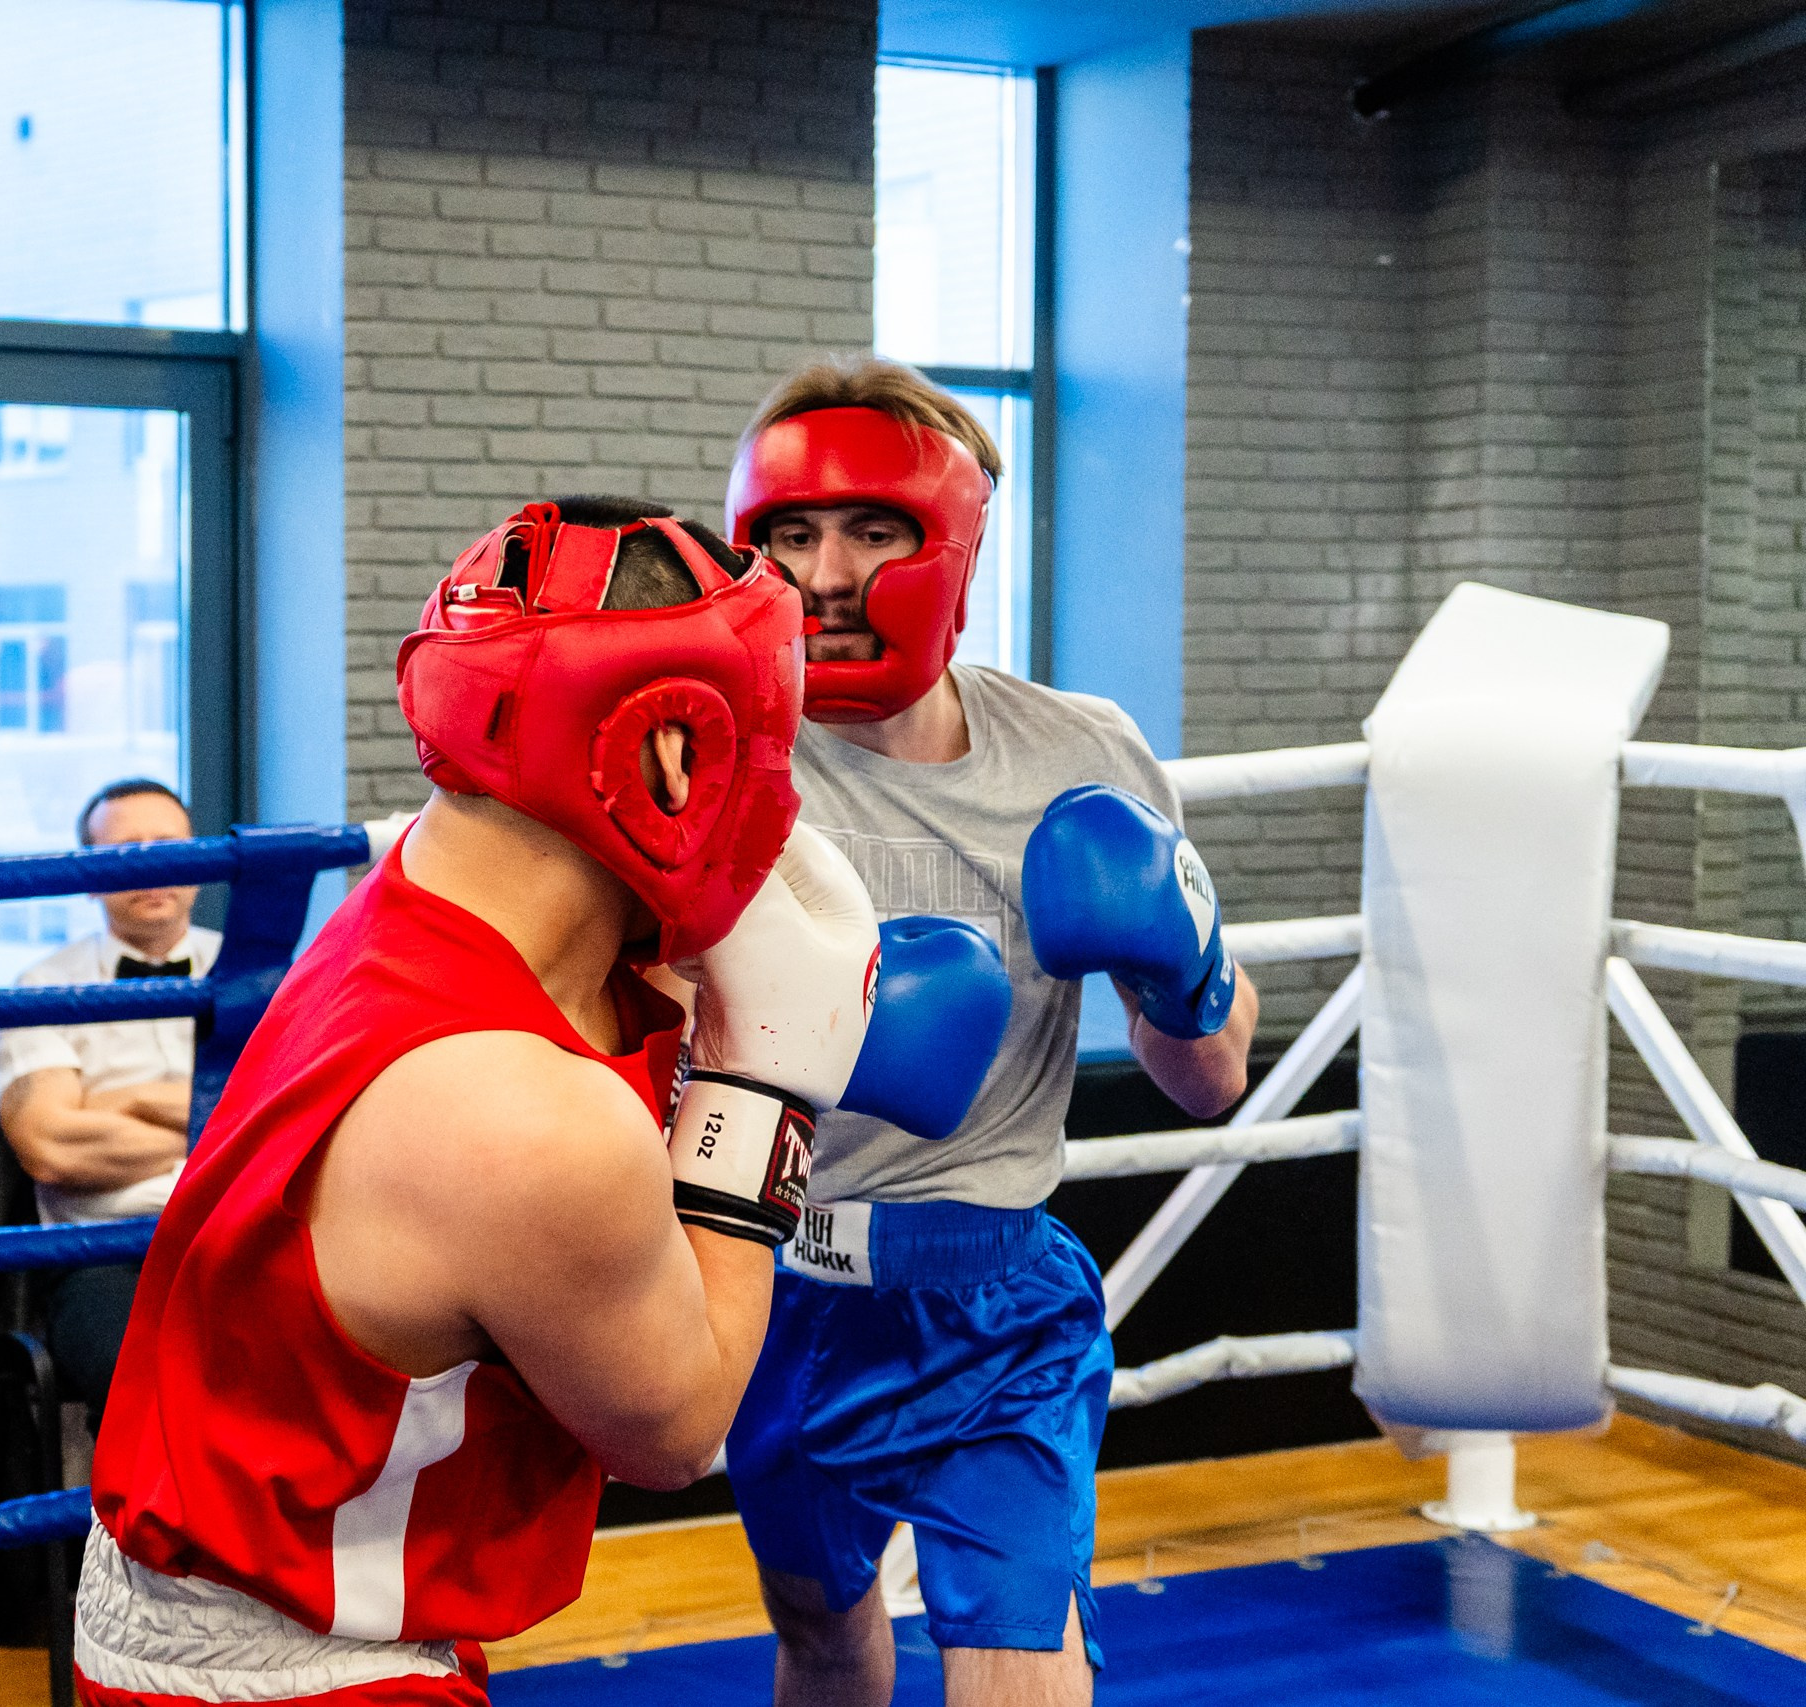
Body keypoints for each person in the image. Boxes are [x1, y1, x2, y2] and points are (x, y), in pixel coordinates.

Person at [72, 498, 888, 1706]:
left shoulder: (414, 888)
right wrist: (763, 1087)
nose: (778, 791)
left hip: (230, 1597)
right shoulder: (523, 1120)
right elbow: (676, 1430)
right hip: (314, 1676)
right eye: (767, 743)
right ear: (672, 752)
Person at [720, 358, 1262, 1707]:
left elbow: (1211, 1078)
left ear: (949, 543)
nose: (828, 571)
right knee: (827, 1641)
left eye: (872, 529)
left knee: (1019, 1651)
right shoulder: (718, 757)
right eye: (793, 533)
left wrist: (1184, 966)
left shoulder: (1080, 751)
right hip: (772, 1290)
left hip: (997, 1300)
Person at [0, 778, 216, 1403]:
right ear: (90, 874)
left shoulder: (262, 977)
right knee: (147, 1395)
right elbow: (51, 1145)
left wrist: (121, 1098)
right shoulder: (41, 985)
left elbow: (295, 1124)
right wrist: (220, 1127)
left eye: (170, 844)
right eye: (127, 848)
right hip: (105, 1251)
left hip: (241, 1233)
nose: (153, 863)